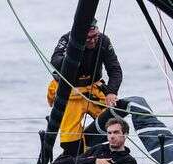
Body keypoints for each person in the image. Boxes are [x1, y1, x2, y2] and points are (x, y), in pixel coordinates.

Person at [49, 19, 123, 156]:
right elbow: (55, 61)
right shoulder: (67, 39)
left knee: (116, 123)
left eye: (95, 36)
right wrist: (73, 53)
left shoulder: (103, 41)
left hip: (94, 87)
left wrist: (112, 92)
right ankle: (77, 160)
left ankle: (112, 156)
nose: (93, 41)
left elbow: (115, 69)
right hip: (72, 91)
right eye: (88, 38)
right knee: (70, 139)